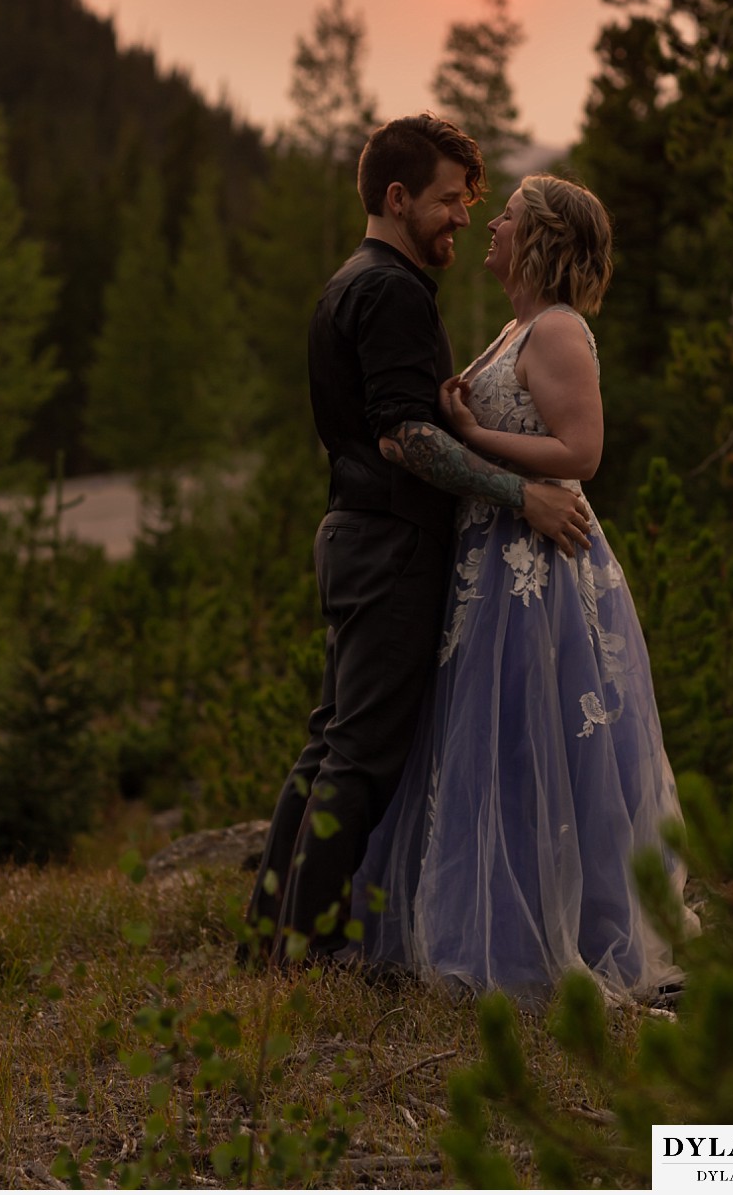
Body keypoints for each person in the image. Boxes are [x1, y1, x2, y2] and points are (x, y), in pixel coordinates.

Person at [245, 120, 592, 966]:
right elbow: (407, 439)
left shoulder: (351, 282)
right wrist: (523, 495)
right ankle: (305, 948)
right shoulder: (393, 291)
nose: (461, 219)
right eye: (446, 200)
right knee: (359, 755)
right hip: (391, 542)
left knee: (332, 738)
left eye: (472, 204)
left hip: (356, 536)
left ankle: (270, 937)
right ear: (396, 199)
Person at [349, 172, 698, 1004]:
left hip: (538, 570)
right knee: (490, 747)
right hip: (493, 560)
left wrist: (470, 430)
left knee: (536, 744)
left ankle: (558, 939)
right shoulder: (519, 327)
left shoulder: (560, 330)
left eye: (505, 215)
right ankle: (480, 927)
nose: (490, 225)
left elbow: (582, 453)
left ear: (539, 236)